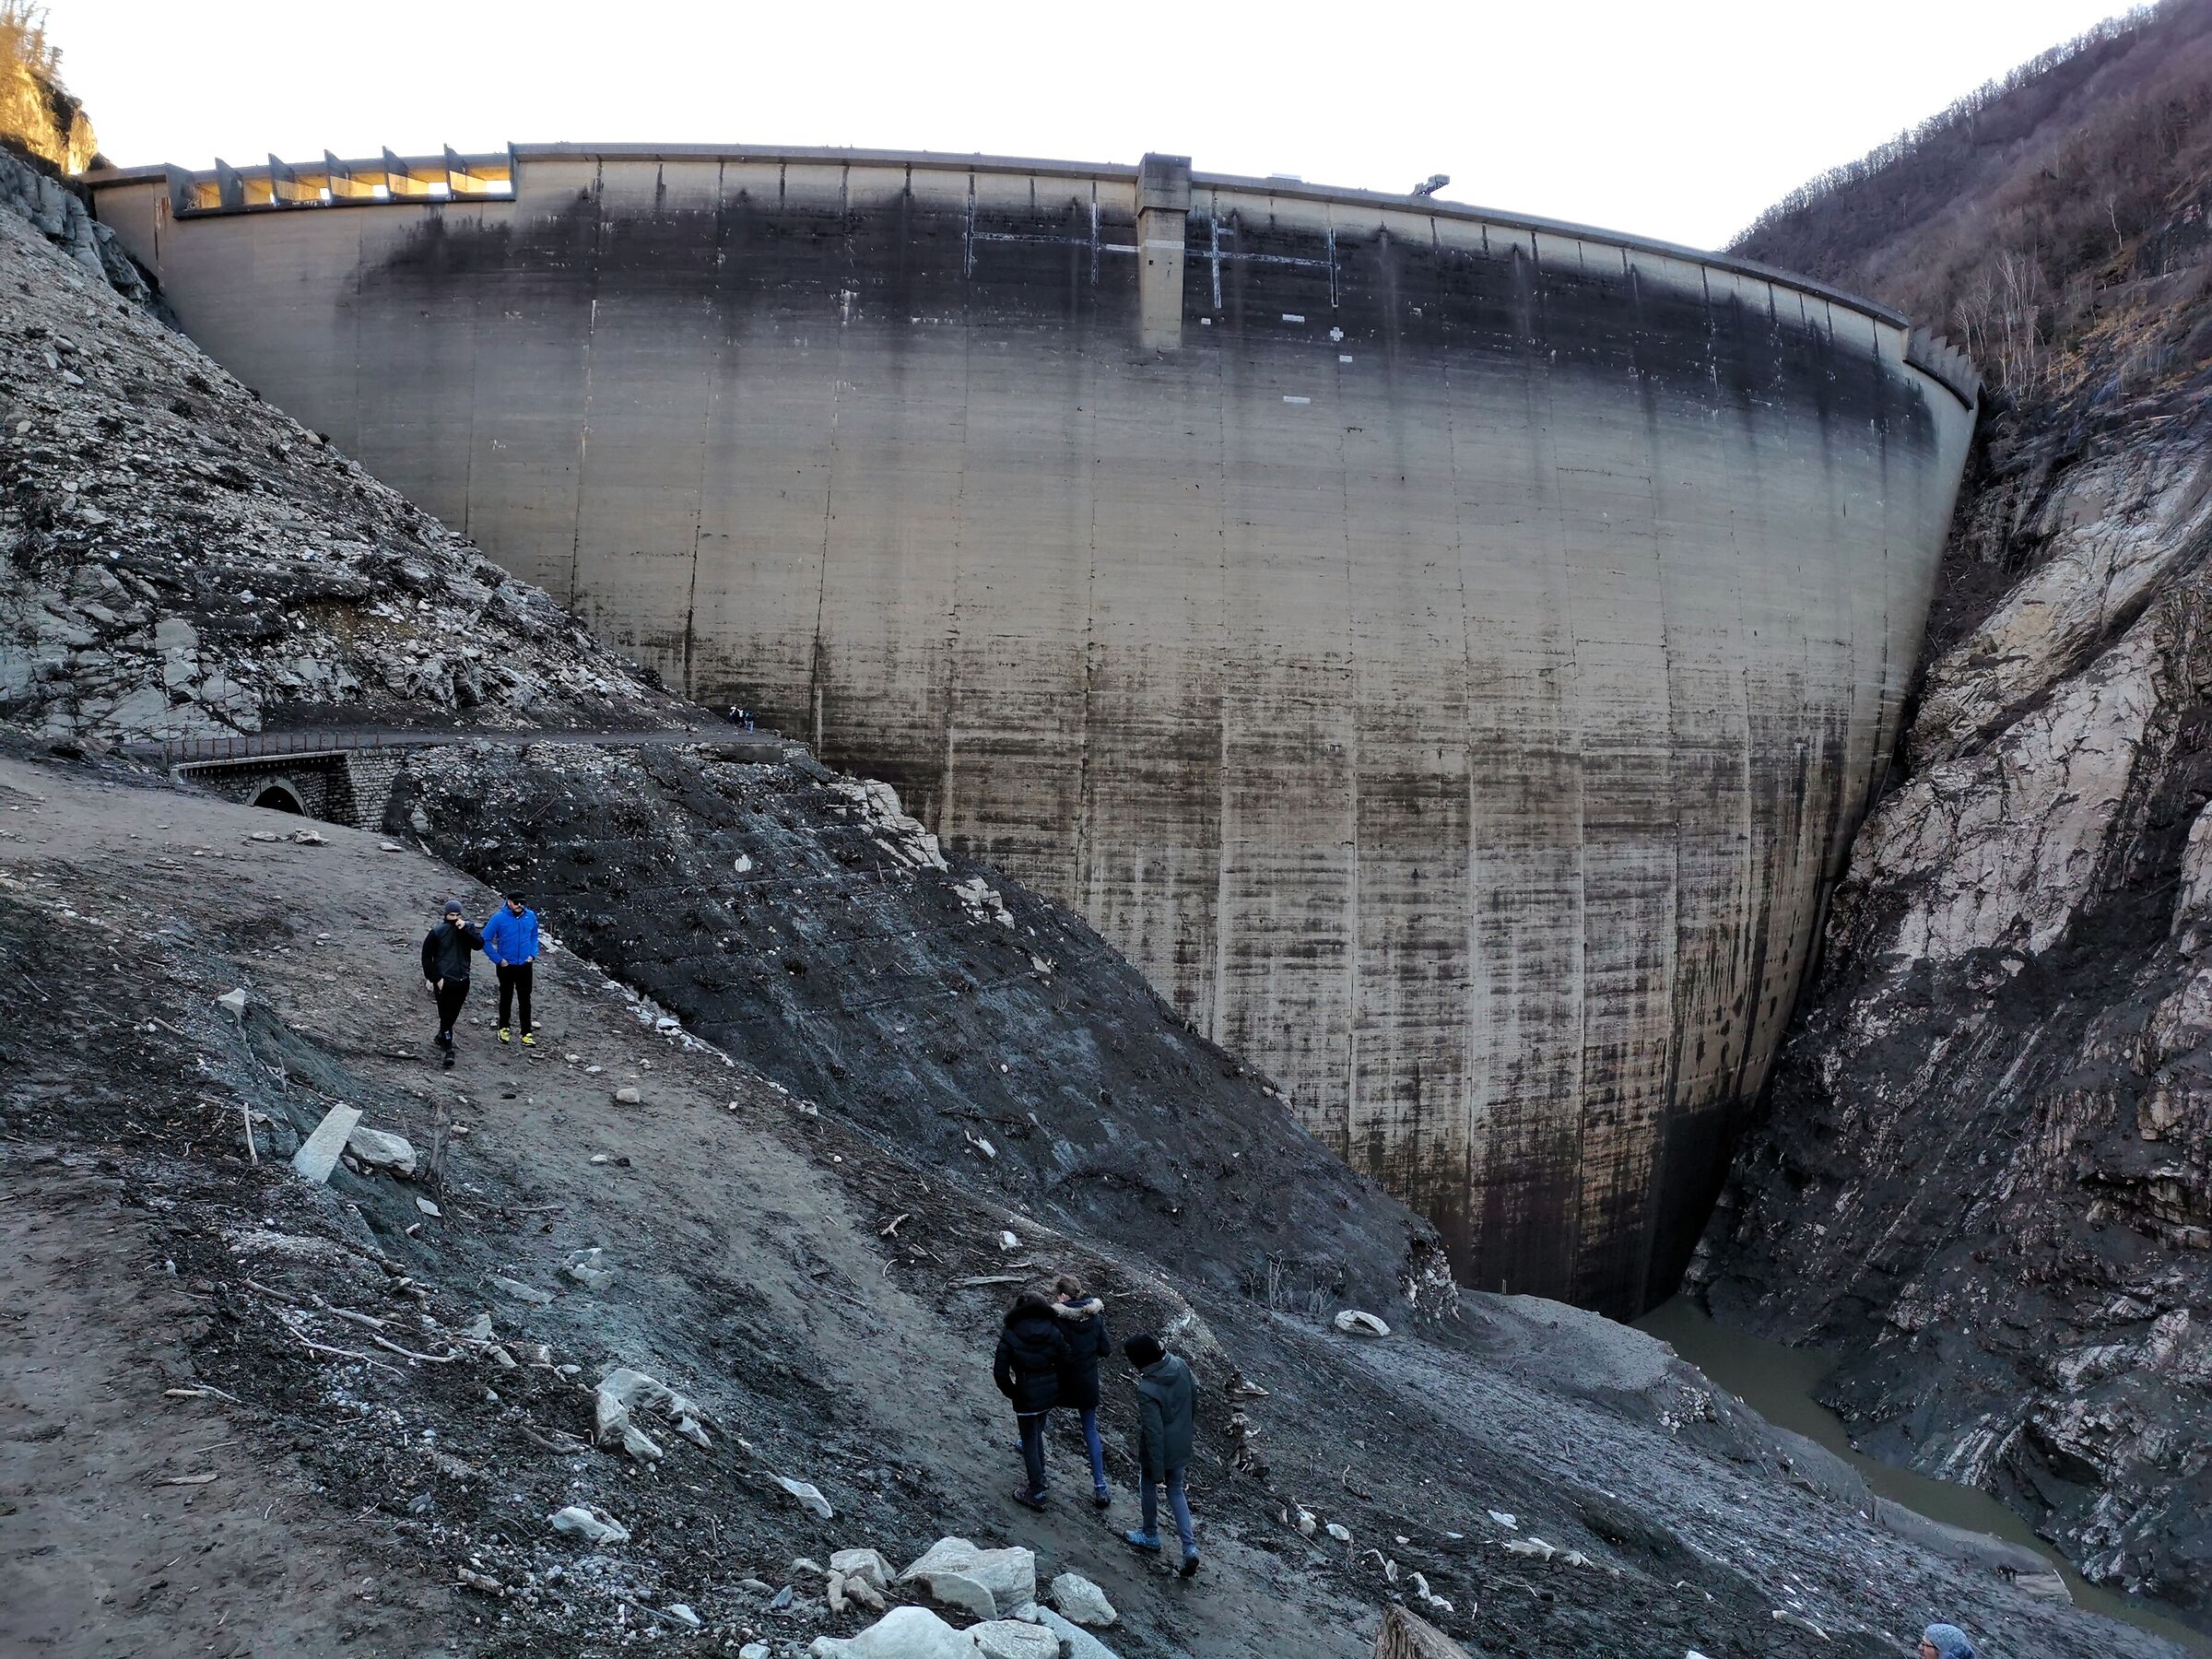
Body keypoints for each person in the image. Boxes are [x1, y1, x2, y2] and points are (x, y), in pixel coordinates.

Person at [1123, 1333, 1199, 1575]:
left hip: (1158, 1450)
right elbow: (1194, 1395)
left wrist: (1157, 1471)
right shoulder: (1181, 1364)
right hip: (1181, 1442)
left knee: (1147, 1484)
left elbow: (1153, 1432)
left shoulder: (1147, 1389)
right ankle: (1190, 1548)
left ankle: (1150, 1534)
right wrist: (1186, 1428)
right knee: (1176, 1491)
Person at [993, 1289, 1070, 1512]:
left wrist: (1013, 1392)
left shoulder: (1011, 1333)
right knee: (1036, 1434)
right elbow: (1066, 1360)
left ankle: (1037, 1492)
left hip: (1026, 1394)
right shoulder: (1053, 1329)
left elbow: (1000, 1372)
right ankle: (1040, 1476)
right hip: (1049, 1393)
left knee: (1029, 1440)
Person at [1051, 1274, 1113, 1509]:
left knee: (1040, 1413)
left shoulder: (1057, 1319)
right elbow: (1106, 1350)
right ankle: (1100, 1486)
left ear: (1063, 1296)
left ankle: (1026, 1445)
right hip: (1087, 1383)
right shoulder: (1095, 1319)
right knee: (1090, 1431)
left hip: (1060, 1381)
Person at [419, 900, 483, 1070]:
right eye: (451, 915)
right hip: (445, 980)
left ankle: (442, 1036)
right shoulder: (437, 932)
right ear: (446, 915)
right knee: (446, 1016)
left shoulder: (467, 929)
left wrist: (466, 929)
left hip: (463, 979)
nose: (454, 918)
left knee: (454, 1013)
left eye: (457, 915)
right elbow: (426, 957)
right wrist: (436, 979)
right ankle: (449, 1049)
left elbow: (479, 944)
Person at [480, 891, 541, 1045]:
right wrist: (498, 960)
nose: (519, 905)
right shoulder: (498, 918)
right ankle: (504, 1028)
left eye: (522, 902)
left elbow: (534, 935)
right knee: (506, 997)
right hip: (506, 966)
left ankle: (526, 1032)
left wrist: (532, 954)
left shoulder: (530, 916)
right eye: (516, 902)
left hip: (525, 965)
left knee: (525, 999)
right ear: (508, 902)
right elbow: (485, 940)